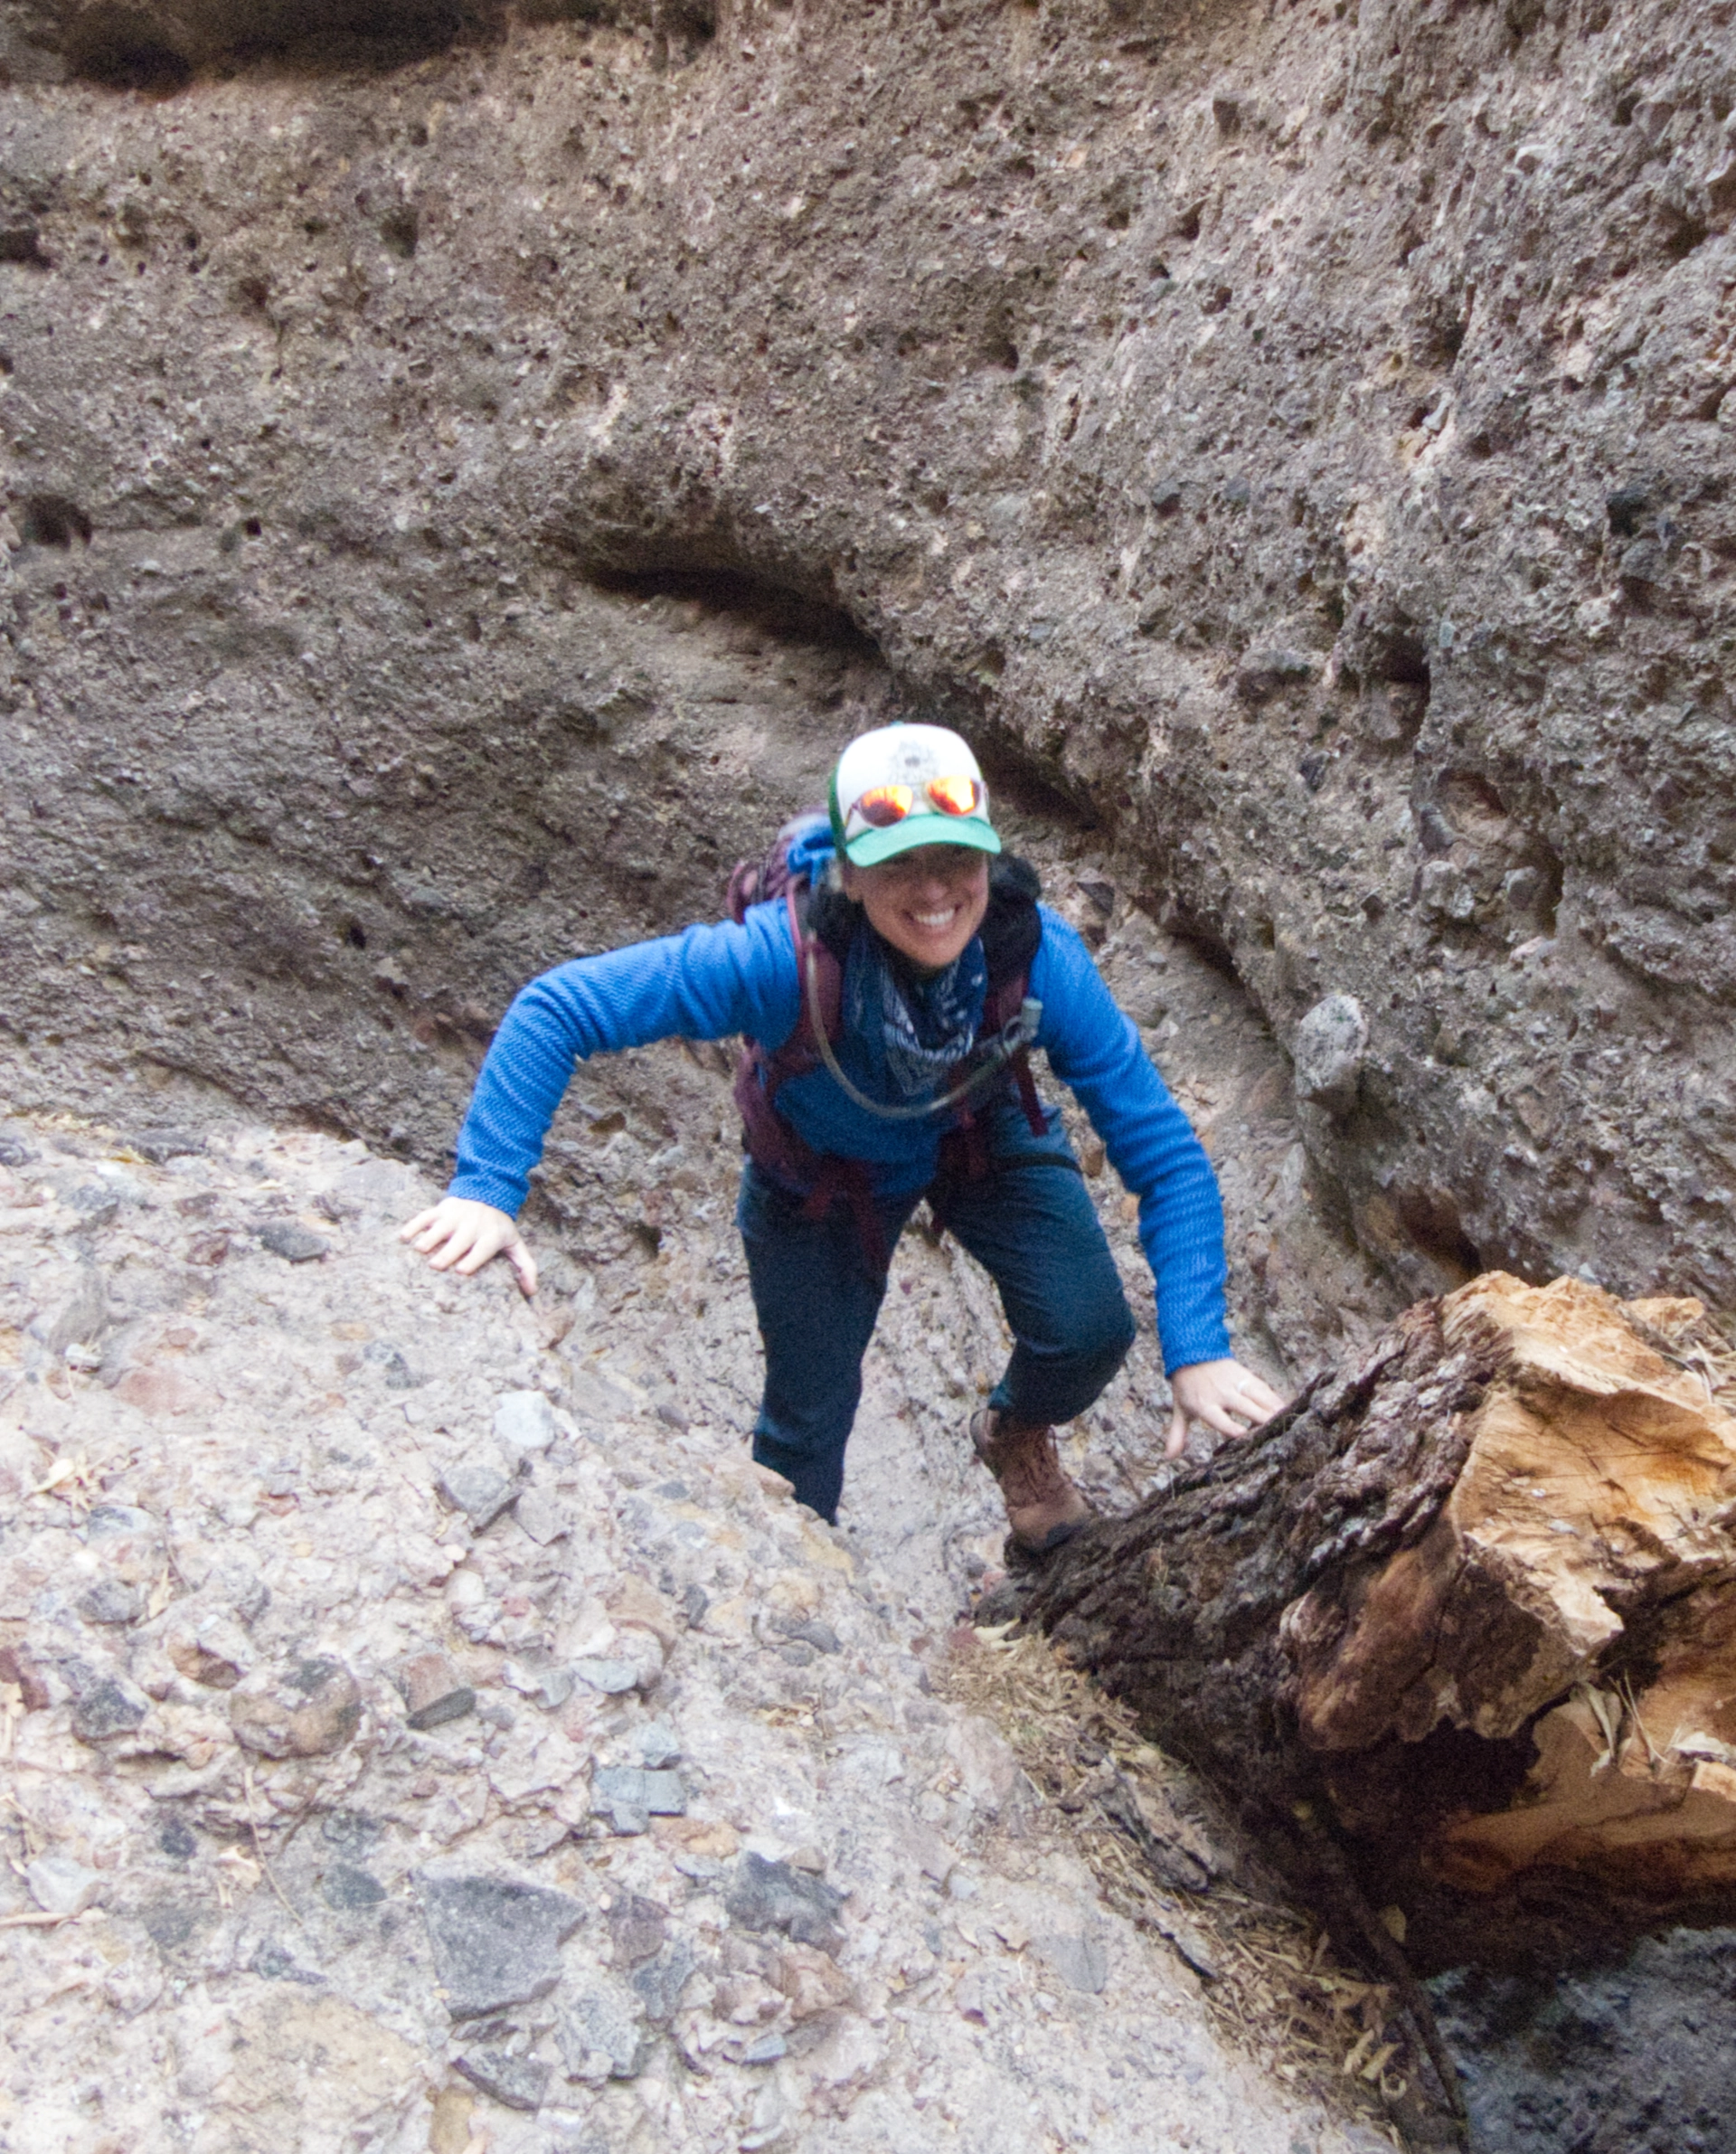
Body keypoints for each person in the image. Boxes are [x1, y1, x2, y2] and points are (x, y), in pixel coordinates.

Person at [401, 722, 1285, 1554]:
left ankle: (1013, 1433)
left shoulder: (1035, 955)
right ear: (848, 876)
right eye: (900, 863)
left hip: (978, 1132)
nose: (935, 890)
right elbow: (559, 1009)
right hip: (821, 1174)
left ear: (990, 857)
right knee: (806, 1427)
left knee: (1090, 1328)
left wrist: (1198, 1343)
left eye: (955, 858)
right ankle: (804, 1602)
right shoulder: (778, 963)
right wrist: (486, 1187)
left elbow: (1163, 1152)